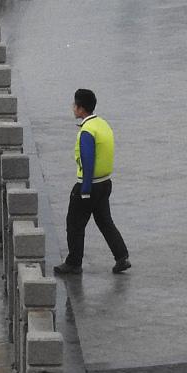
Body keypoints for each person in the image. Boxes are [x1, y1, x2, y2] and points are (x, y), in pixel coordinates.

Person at [54, 88, 131, 275]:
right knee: (105, 221)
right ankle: (121, 257)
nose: (73, 108)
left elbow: (88, 161)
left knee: (74, 223)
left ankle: (73, 262)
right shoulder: (102, 124)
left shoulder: (87, 131)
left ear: (81, 109)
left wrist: (85, 189)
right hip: (105, 183)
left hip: (90, 184)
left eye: (75, 105)